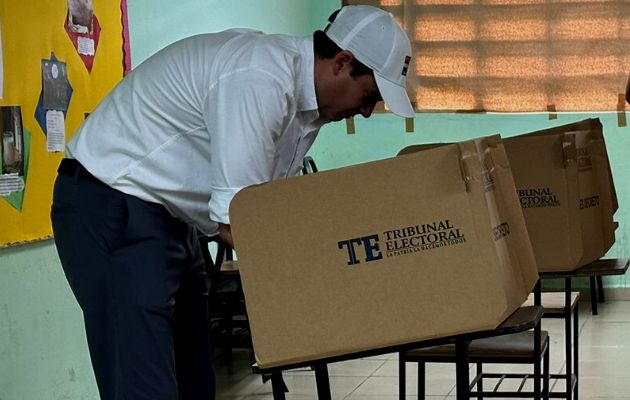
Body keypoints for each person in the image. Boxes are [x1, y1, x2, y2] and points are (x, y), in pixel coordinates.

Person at [50, 4, 414, 400]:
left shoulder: (305, 110)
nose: (364, 112)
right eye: (369, 96)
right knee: (144, 387)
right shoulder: (260, 78)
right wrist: (329, 288)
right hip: (112, 204)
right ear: (343, 63)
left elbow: (270, 210)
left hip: (166, 217)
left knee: (194, 383)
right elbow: (240, 224)